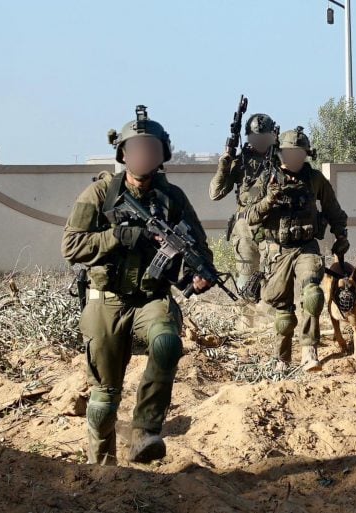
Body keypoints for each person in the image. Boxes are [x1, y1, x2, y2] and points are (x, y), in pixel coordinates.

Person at [62, 106, 212, 465]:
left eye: (151, 148)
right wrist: (118, 236)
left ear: (162, 155)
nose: (144, 154)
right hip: (106, 299)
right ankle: (101, 468)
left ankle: (145, 431)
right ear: (123, 154)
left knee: (166, 342)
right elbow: (72, 246)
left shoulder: (172, 198)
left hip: (151, 298)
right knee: (104, 397)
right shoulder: (98, 195)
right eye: (137, 147)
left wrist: (201, 272)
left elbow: (200, 248)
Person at [245, 126, 349, 372]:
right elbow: (249, 216)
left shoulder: (314, 179)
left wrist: (341, 235)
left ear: (306, 154)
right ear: (280, 154)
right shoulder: (266, 179)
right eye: (289, 153)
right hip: (276, 251)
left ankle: (309, 349)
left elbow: (334, 209)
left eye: (299, 153)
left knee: (312, 294)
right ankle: (282, 359)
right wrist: (269, 198)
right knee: (283, 313)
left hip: (306, 246)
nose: (294, 158)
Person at [209, 113, 281, 291]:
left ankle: (268, 319)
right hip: (245, 231)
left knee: (274, 284)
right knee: (246, 286)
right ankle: (247, 319)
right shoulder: (240, 162)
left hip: (272, 229)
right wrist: (223, 165)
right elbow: (215, 193)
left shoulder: (281, 161)